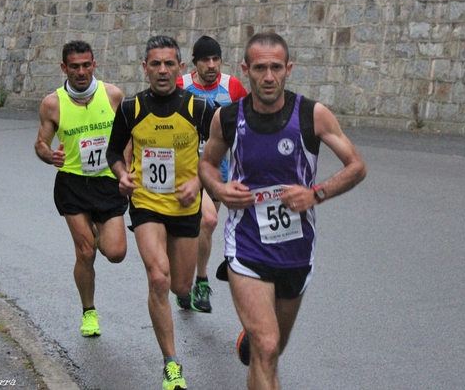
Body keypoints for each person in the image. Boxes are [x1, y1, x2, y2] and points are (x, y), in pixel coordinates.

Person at [199, 33, 367, 390]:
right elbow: (207, 165)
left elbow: (356, 166)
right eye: (260, 68)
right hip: (246, 246)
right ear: (246, 70)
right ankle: (257, 340)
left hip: (295, 250)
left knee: (272, 351)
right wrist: (219, 189)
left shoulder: (312, 114)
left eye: (276, 67)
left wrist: (316, 193)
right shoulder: (227, 118)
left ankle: (255, 346)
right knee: (267, 343)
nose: (269, 76)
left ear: (288, 69)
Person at [106, 35, 213, 390]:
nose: (163, 70)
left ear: (181, 68)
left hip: (185, 206)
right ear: (145, 68)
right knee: (158, 278)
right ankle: (171, 363)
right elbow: (113, 154)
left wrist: (198, 183)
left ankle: (185, 291)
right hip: (146, 203)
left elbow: (218, 151)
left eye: (170, 64)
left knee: (179, 284)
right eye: (156, 64)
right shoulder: (131, 109)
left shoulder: (198, 109)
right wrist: (122, 176)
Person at [34, 40, 128, 338]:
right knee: (85, 252)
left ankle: (98, 233)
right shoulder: (53, 103)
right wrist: (49, 155)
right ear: (64, 68)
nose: (81, 71)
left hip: (107, 182)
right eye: (74, 66)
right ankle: (89, 312)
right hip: (72, 183)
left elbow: (129, 136)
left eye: (86, 65)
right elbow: (40, 143)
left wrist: (127, 168)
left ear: (94, 65)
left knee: (115, 252)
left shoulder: (112, 95)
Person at [175, 35, 248, 313]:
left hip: (218, 171)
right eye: (205, 60)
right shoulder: (182, 85)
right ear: (195, 64)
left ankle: (194, 282)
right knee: (203, 222)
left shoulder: (233, 87)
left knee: (206, 224)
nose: (212, 65)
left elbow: (248, 125)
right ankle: (196, 282)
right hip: (182, 170)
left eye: (216, 59)